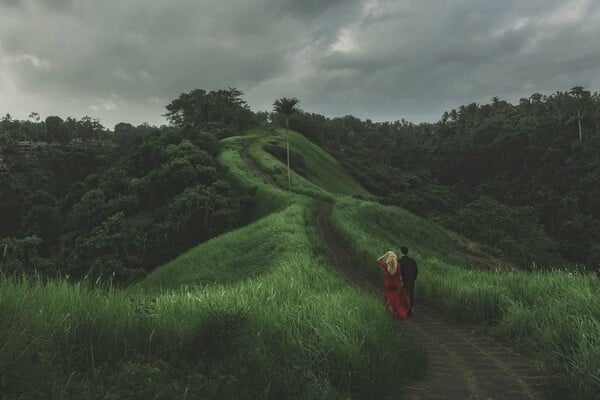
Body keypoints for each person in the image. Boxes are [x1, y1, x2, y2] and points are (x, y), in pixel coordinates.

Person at [376, 251, 410, 320]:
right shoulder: (398, 265)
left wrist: (385, 254)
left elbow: (378, 260)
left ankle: (390, 311)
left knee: (390, 297)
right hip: (395, 284)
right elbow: (400, 275)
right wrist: (401, 282)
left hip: (388, 284)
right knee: (395, 298)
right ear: (395, 258)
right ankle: (396, 312)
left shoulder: (386, 265)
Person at [399, 246, 418, 316]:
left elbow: (399, 272)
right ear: (407, 252)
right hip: (411, 280)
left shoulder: (399, 261)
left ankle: (404, 309)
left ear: (401, 252)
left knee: (403, 295)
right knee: (410, 294)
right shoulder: (412, 260)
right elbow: (416, 271)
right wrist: (413, 278)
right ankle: (410, 309)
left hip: (403, 281)